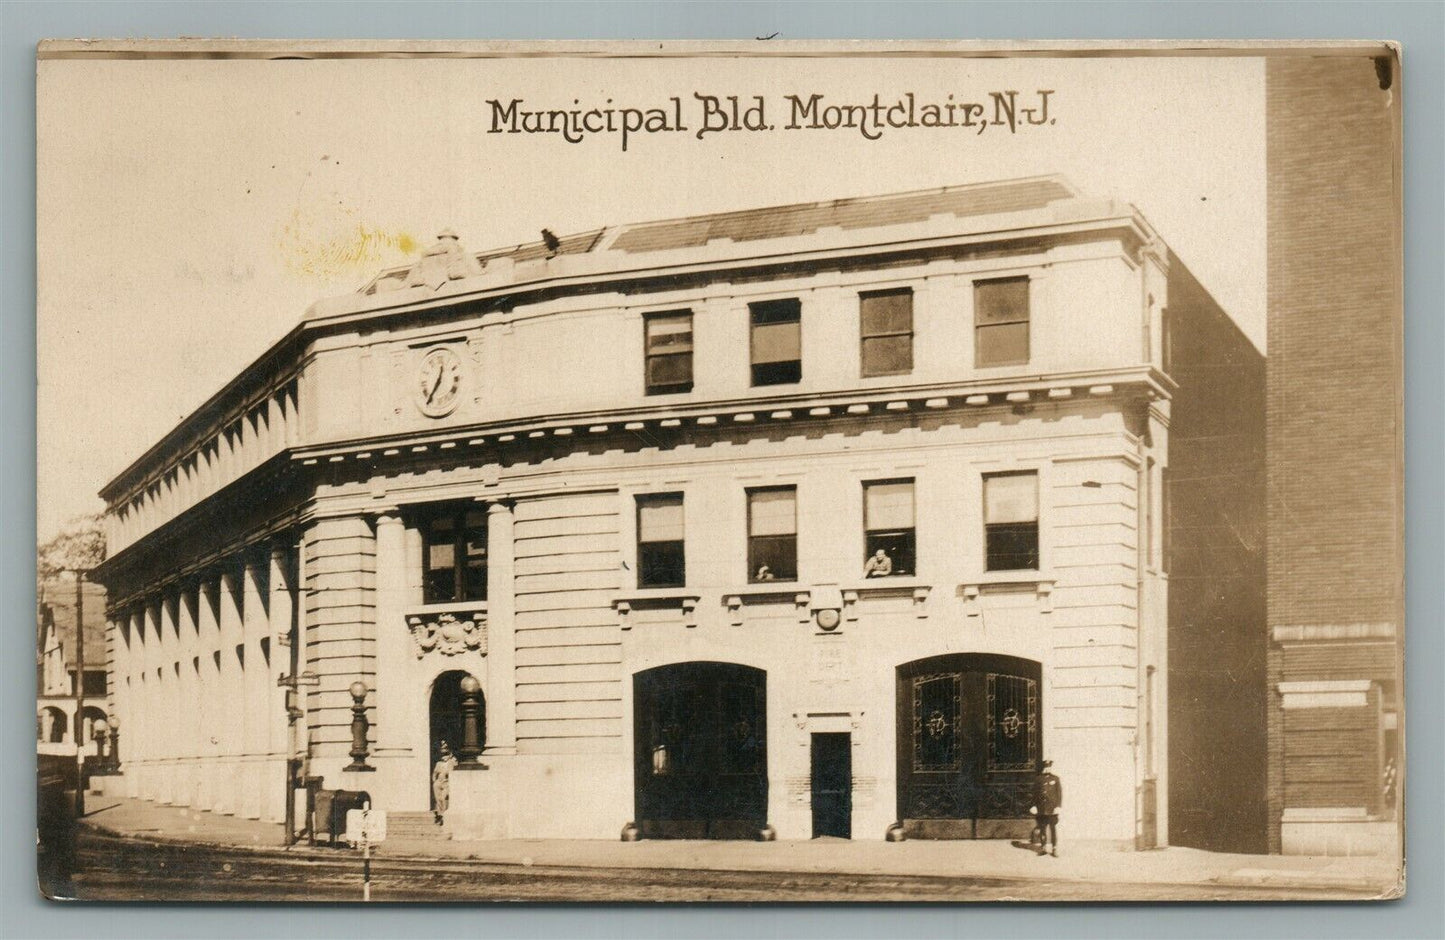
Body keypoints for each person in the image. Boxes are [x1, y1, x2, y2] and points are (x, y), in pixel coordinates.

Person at [1032, 759, 1062, 857]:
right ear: (1043, 767)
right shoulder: (1038, 779)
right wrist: (1034, 805)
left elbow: (1059, 794)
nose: (1047, 768)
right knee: (1042, 828)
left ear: (1051, 767)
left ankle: (1054, 849)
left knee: (1053, 829)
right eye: (1045, 767)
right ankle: (1043, 848)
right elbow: (1034, 794)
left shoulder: (1056, 778)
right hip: (1041, 808)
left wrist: (1058, 806)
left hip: (1052, 809)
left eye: (1049, 767)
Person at [432, 741, 457, 825]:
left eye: (445, 750)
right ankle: (440, 814)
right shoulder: (439, 763)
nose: (443, 755)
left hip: (446, 782)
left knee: (443, 798)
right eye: (442, 750)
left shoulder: (452, 761)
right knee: (438, 799)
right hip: (438, 782)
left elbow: (454, 770)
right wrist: (435, 781)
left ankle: (443, 814)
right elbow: (435, 773)